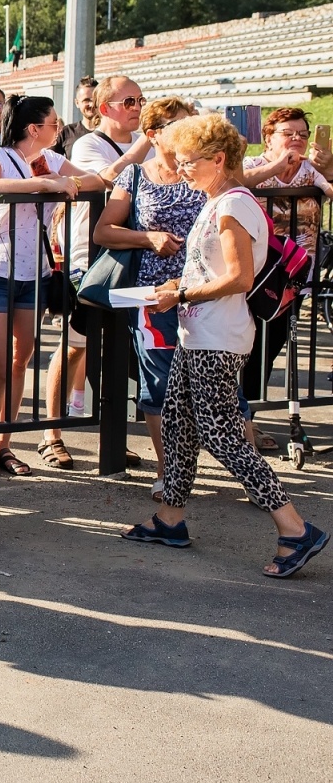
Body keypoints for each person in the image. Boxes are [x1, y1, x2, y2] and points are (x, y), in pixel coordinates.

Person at [124, 113, 327, 579]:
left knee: (220, 434)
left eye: (188, 161)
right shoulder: (219, 202)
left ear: (218, 160)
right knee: (176, 420)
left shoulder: (233, 205)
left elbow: (239, 277)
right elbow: (212, 269)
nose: (179, 169)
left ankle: (294, 528)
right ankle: (170, 518)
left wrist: (182, 293)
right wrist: (181, 284)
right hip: (201, 332)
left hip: (217, 336)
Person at [0, 95, 106, 476]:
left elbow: (97, 180)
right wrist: (42, 182)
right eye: (53, 124)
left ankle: (5, 444)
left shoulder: (55, 159)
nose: (58, 129)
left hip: (36, 274)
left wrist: (68, 180)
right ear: (35, 129)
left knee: (19, 360)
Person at [37, 76, 151, 469]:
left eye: (141, 99)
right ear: (105, 109)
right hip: (89, 260)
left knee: (118, 352)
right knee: (74, 347)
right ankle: (51, 434)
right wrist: (144, 146)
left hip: (128, 258)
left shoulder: (143, 148)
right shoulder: (88, 144)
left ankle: (112, 438)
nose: (138, 107)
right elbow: (109, 178)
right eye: (129, 101)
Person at [93, 98, 203, 496]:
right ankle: (168, 471)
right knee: (159, 383)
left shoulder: (204, 173)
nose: (191, 132)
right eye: (180, 126)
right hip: (153, 298)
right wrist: (148, 238)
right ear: (154, 135)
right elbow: (103, 231)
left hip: (206, 295)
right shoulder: (135, 176)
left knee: (218, 382)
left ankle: (244, 469)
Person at [239, 105, 333, 448]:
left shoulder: (311, 169)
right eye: (288, 133)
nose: (297, 139)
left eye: (302, 134)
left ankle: (248, 419)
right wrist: (277, 166)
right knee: (244, 347)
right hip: (258, 273)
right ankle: (237, 422)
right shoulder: (251, 165)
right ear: (268, 137)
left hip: (296, 275)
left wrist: (328, 167)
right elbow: (236, 183)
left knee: (272, 345)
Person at [54, 77, 99, 155]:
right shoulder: (67, 132)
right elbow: (49, 161)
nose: (91, 104)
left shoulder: (111, 132)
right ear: (77, 103)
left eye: (94, 100)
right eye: (86, 100)